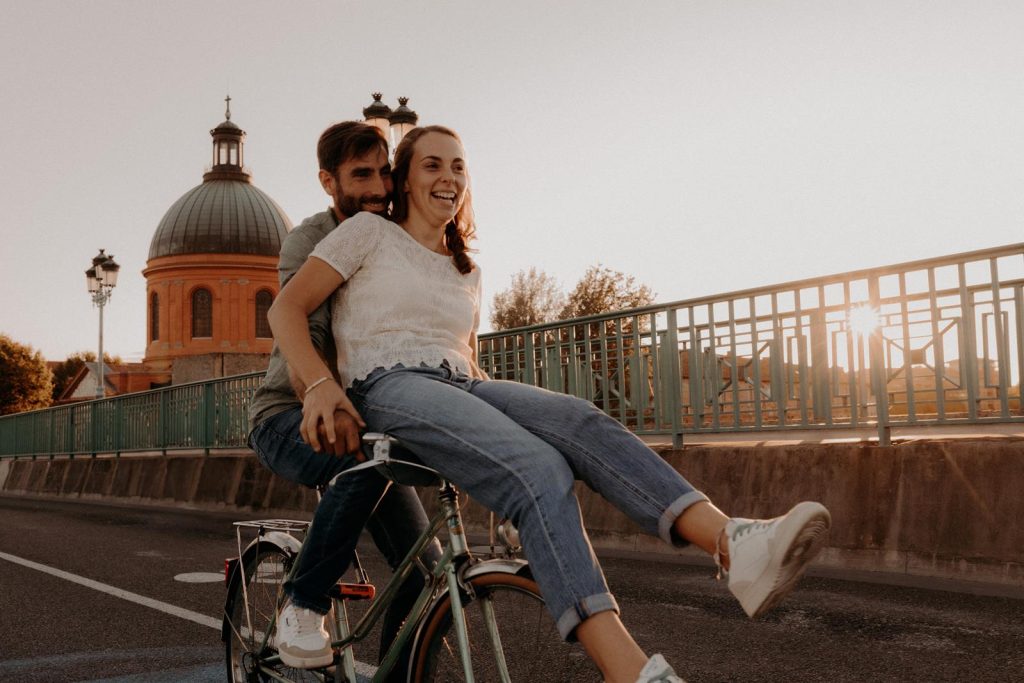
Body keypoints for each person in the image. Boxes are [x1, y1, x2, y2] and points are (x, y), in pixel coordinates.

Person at [268, 125, 832, 683]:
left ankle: (735, 546)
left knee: (579, 422)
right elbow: (286, 311)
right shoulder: (366, 231)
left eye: (458, 166)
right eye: (432, 164)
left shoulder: (467, 271)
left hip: (459, 383)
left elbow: (464, 359)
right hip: (386, 383)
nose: (448, 177)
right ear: (406, 182)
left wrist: (497, 423)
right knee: (535, 470)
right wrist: (319, 387)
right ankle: (630, 672)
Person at [247, 121, 440, 673]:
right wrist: (320, 388)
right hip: (289, 413)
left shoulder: (395, 235)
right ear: (327, 181)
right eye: (362, 175)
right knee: (364, 457)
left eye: (385, 172)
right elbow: (301, 322)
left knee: (423, 575)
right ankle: (301, 605)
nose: (380, 188)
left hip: (370, 422)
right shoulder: (310, 240)